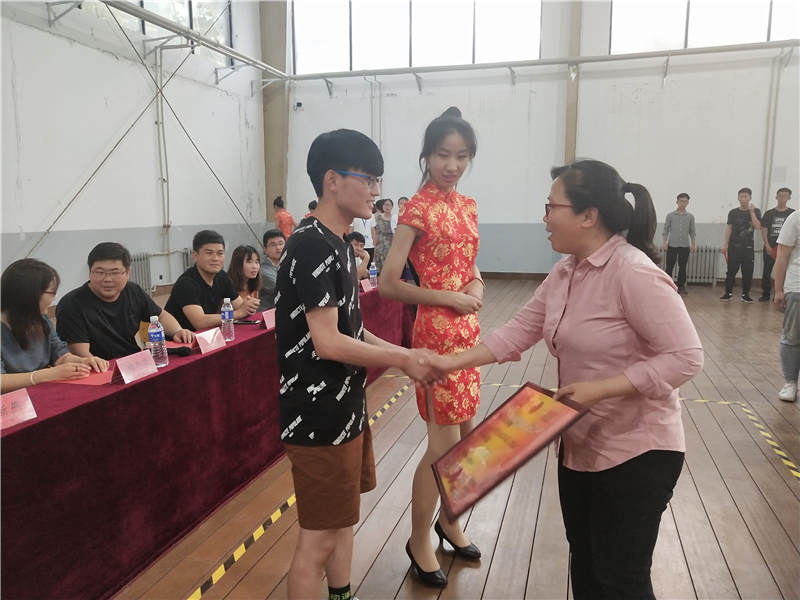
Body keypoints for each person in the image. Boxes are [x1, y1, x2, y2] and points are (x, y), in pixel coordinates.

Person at [425, 159, 703, 599]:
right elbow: (519, 331)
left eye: (551, 207)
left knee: (622, 580)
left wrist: (603, 388)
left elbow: (686, 357)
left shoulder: (633, 272)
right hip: (580, 448)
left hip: (638, 452)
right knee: (587, 568)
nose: (544, 218)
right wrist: (450, 363)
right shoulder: (565, 271)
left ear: (588, 215)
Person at [277, 128, 439, 600]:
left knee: (343, 521)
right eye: (368, 180)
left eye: (377, 181)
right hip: (317, 417)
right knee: (317, 539)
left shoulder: (339, 243)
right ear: (332, 180)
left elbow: (352, 330)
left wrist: (403, 354)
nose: (376, 191)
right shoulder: (309, 244)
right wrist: (404, 357)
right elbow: (328, 343)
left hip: (345, 407)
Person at [379, 106, 484, 587]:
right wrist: (447, 297)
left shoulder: (469, 206)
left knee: (466, 441)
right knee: (441, 448)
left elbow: (471, 266)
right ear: (427, 155)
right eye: (443, 154)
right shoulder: (417, 208)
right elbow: (389, 283)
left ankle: (450, 520)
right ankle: (419, 538)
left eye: (461, 156)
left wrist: (477, 286)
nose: (452, 165)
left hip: (468, 333)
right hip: (436, 336)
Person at [57, 242, 194, 360]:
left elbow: (161, 316)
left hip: (132, 362)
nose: (107, 279)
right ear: (90, 271)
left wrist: (177, 331)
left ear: (127, 272)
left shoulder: (133, 291)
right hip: (98, 369)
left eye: (115, 272)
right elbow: (81, 354)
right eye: (99, 272)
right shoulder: (71, 304)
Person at [1, 259, 108, 393]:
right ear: (29, 294)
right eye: (51, 293)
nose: (54, 298)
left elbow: (60, 355)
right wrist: (44, 376)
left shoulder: (40, 319)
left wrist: (82, 362)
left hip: (42, 391)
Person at [164, 230, 260, 331]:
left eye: (220, 253)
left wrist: (249, 306)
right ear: (195, 256)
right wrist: (238, 313)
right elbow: (200, 322)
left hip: (208, 336)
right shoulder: (186, 283)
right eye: (209, 253)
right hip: (179, 338)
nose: (215, 258)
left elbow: (240, 306)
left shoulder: (222, 277)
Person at [772, 209, 800, 402]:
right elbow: (782, 256)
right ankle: (790, 382)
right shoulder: (796, 218)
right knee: (792, 337)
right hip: (797, 287)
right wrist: (779, 289)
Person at [721, 187, 762, 302]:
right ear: (738, 198)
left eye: (746, 196)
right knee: (731, 271)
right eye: (741, 196)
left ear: (750, 198)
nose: (743, 199)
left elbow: (758, 226)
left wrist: (752, 212)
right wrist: (725, 244)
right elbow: (729, 228)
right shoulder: (733, 212)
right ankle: (728, 293)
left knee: (747, 271)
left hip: (748, 247)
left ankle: (745, 294)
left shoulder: (756, 211)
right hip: (734, 247)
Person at [760, 187, 794, 302]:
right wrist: (767, 245)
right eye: (780, 195)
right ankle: (765, 293)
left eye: (785, 195)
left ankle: (780, 294)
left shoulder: (792, 214)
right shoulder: (769, 213)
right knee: (767, 271)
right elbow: (764, 230)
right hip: (770, 247)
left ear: (789, 197)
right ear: (776, 197)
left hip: (786, 249)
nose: (782, 198)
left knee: (784, 271)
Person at [662, 193, 696, 295]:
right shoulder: (670, 215)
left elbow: (692, 231)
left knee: (683, 267)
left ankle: (681, 286)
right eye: (681, 201)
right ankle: (667, 285)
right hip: (672, 245)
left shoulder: (690, 217)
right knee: (669, 266)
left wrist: (693, 244)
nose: (683, 203)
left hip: (684, 246)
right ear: (677, 202)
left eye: (685, 201)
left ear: (688, 203)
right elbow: (665, 230)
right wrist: (665, 242)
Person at [259, 229, 286, 311]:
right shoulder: (263, 270)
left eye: (281, 243)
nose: (278, 248)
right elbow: (283, 289)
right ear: (265, 250)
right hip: (267, 312)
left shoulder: (288, 263)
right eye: (273, 245)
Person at [371, 198, 394, 273]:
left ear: (392, 207)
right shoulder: (376, 218)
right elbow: (373, 231)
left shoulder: (394, 218)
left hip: (391, 247)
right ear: (382, 206)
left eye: (389, 205)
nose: (387, 207)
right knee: (379, 270)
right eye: (385, 205)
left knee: (390, 269)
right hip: (380, 247)